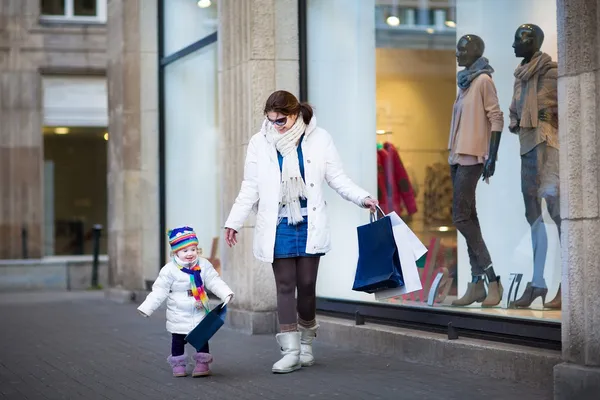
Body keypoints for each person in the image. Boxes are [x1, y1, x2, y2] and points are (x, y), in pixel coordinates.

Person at [224, 90, 378, 374]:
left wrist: (362, 197)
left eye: (281, 120)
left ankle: (307, 343)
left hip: (310, 222)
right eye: (271, 120)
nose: (275, 125)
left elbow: (337, 178)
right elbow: (250, 186)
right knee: (285, 286)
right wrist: (233, 221)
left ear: (294, 114)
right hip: (279, 223)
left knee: (306, 286)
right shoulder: (260, 143)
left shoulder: (319, 139)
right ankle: (290, 351)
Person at [138, 226, 234, 378]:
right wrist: (147, 307)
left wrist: (225, 293)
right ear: (175, 252)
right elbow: (159, 290)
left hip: (199, 307)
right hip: (178, 310)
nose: (190, 254)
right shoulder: (169, 270)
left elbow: (214, 281)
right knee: (177, 340)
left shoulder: (203, 265)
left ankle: (202, 364)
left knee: (201, 337)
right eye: (185, 251)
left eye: (193, 249)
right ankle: (178, 365)